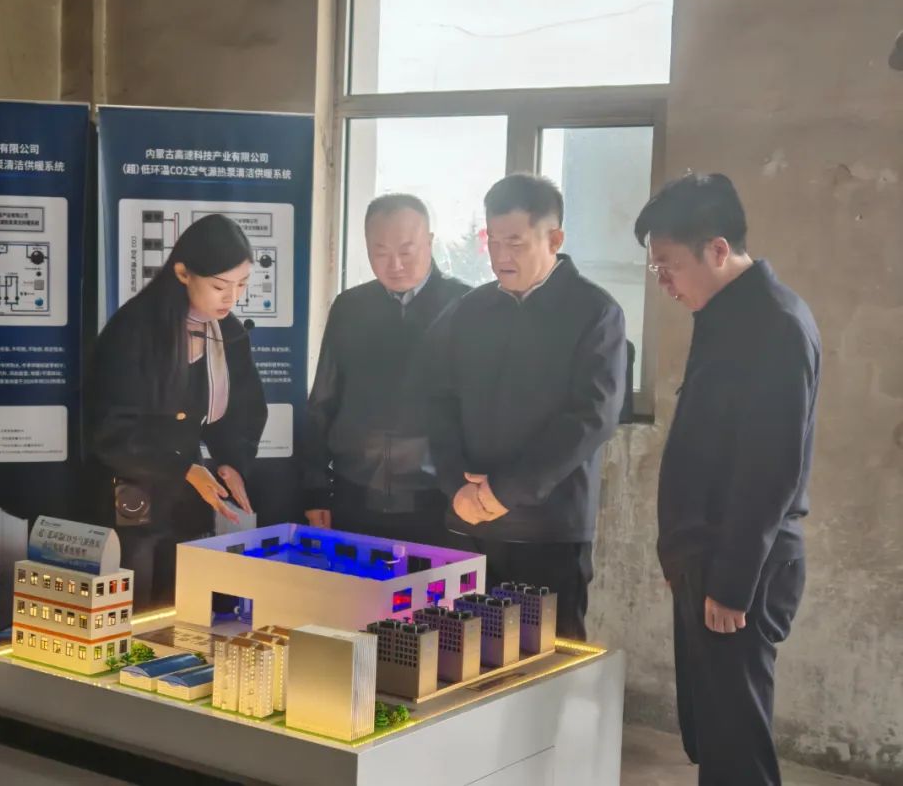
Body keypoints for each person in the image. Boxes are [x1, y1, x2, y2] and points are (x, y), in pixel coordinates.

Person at [635, 173, 820, 786]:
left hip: (740, 567)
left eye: (668, 265)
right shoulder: (724, 314)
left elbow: (770, 469)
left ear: (717, 249)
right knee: (713, 734)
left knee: (737, 745)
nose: (662, 281)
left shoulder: (775, 324)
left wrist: (732, 584)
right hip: (707, 559)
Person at [427, 174, 626, 641]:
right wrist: (455, 485)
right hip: (468, 524)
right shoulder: (469, 310)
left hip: (548, 530)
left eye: (514, 242)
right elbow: (438, 401)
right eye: (492, 241)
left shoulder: (594, 312)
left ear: (554, 239)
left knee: (549, 665)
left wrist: (506, 490)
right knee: (461, 659)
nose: (500, 255)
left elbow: (592, 417)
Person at [86, 214, 268, 611]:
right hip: (131, 488)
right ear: (183, 273)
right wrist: (182, 467)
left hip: (187, 493)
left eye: (241, 284)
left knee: (183, 607)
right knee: (134, 606)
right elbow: (110, 431)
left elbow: (244, 410)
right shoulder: (133, 330)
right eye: (219, 286)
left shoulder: (229, 332)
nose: (231, 298)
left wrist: (232, 462)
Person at [301, 194, 470, 545]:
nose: (395, 265)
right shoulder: (350, 308)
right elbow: (323, 403)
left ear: (429, 242)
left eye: (407, 251)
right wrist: (314, 488)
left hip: (440, 501)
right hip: (354, 496)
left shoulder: (466, 307)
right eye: (380, 252)